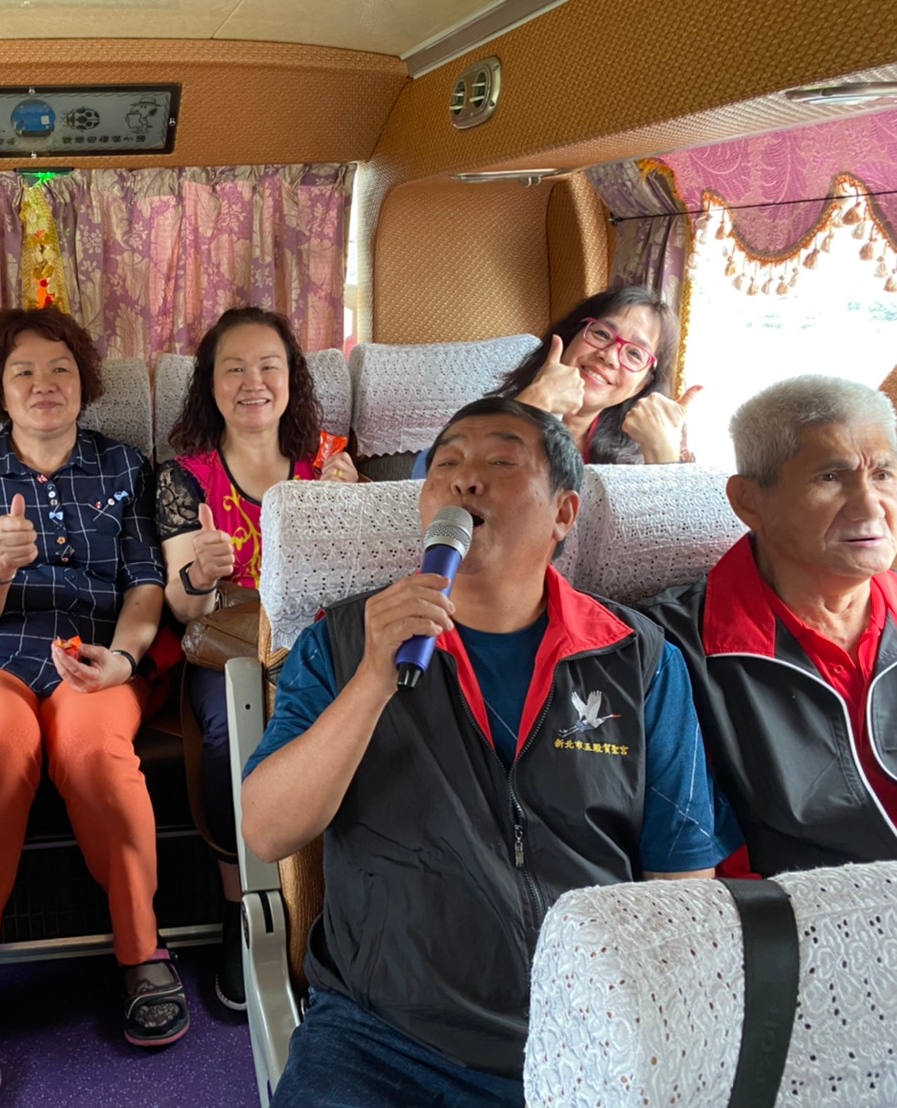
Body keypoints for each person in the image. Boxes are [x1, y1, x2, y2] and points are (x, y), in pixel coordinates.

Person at [242, 397, 734, 1106]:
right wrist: (373, 681)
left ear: (564, 514)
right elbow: (267, 831)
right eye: (446, 464)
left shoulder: (638, 660)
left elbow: (680, 881)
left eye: (502, 461)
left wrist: (657, 1033)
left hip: (588, 1028)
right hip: (382, 1039)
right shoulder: (342, 642)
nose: (465, 479)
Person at [0, 306, 184, 1100]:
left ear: (84, 382)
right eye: (24, 372)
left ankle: (143, 954)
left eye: (60, 369)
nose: (44, 385)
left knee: (99, 758)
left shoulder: (124, 466)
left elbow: (146, 585)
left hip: (96, 657)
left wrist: (126, 658)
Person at [156, 305, 357, 1010]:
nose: (252, 382)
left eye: (268, 366)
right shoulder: (184, 478)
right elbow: (184, 608)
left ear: (291, 378)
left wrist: (349, 512)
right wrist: (201, 572)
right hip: (229, 648)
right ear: (209, 384)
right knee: (224, 736)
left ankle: (346, 900)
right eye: (233, 368)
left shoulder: (329, 466)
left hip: (317, 641)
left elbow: (360, 580)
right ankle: (241, 907)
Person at [641, 376, 897, 876]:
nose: (870, 506)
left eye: (883, 474)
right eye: (831, 477)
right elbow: (687, 866)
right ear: (749, 501)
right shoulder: (669, 650)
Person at [407, 285, 694, 477]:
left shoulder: (638, 456)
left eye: (634, 354)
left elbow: (668, 544)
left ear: (642, 385)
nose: (609, 356)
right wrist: (532, 406)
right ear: (568, 338)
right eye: (602, 334)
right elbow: (430, 485)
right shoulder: (481, 419)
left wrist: (664, 455)